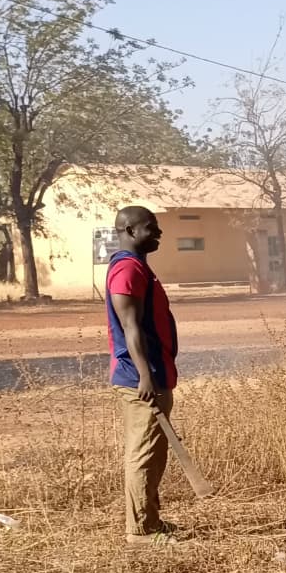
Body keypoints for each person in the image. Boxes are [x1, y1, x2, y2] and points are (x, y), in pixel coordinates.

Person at [104, 206, 181, 544]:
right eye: (152, 228)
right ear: (130, 230)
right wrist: (144, 376)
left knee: (154, 452)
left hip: (155, 374)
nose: (159, 233)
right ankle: (140, 531)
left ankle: (150, 519)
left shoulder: (139, 269)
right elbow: (130, 327)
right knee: (143, 452)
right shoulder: (126, 271)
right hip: (142, 380)